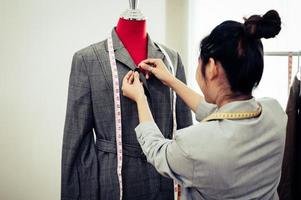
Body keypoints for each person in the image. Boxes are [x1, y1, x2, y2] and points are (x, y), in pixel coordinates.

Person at [121, 9, 287, 200]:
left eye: (200, 61)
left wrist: (140, 99)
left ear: (212, 68)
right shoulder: (274, 112)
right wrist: (171, 80)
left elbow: (157, 151)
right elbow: (224, 115)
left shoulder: (194, 145)